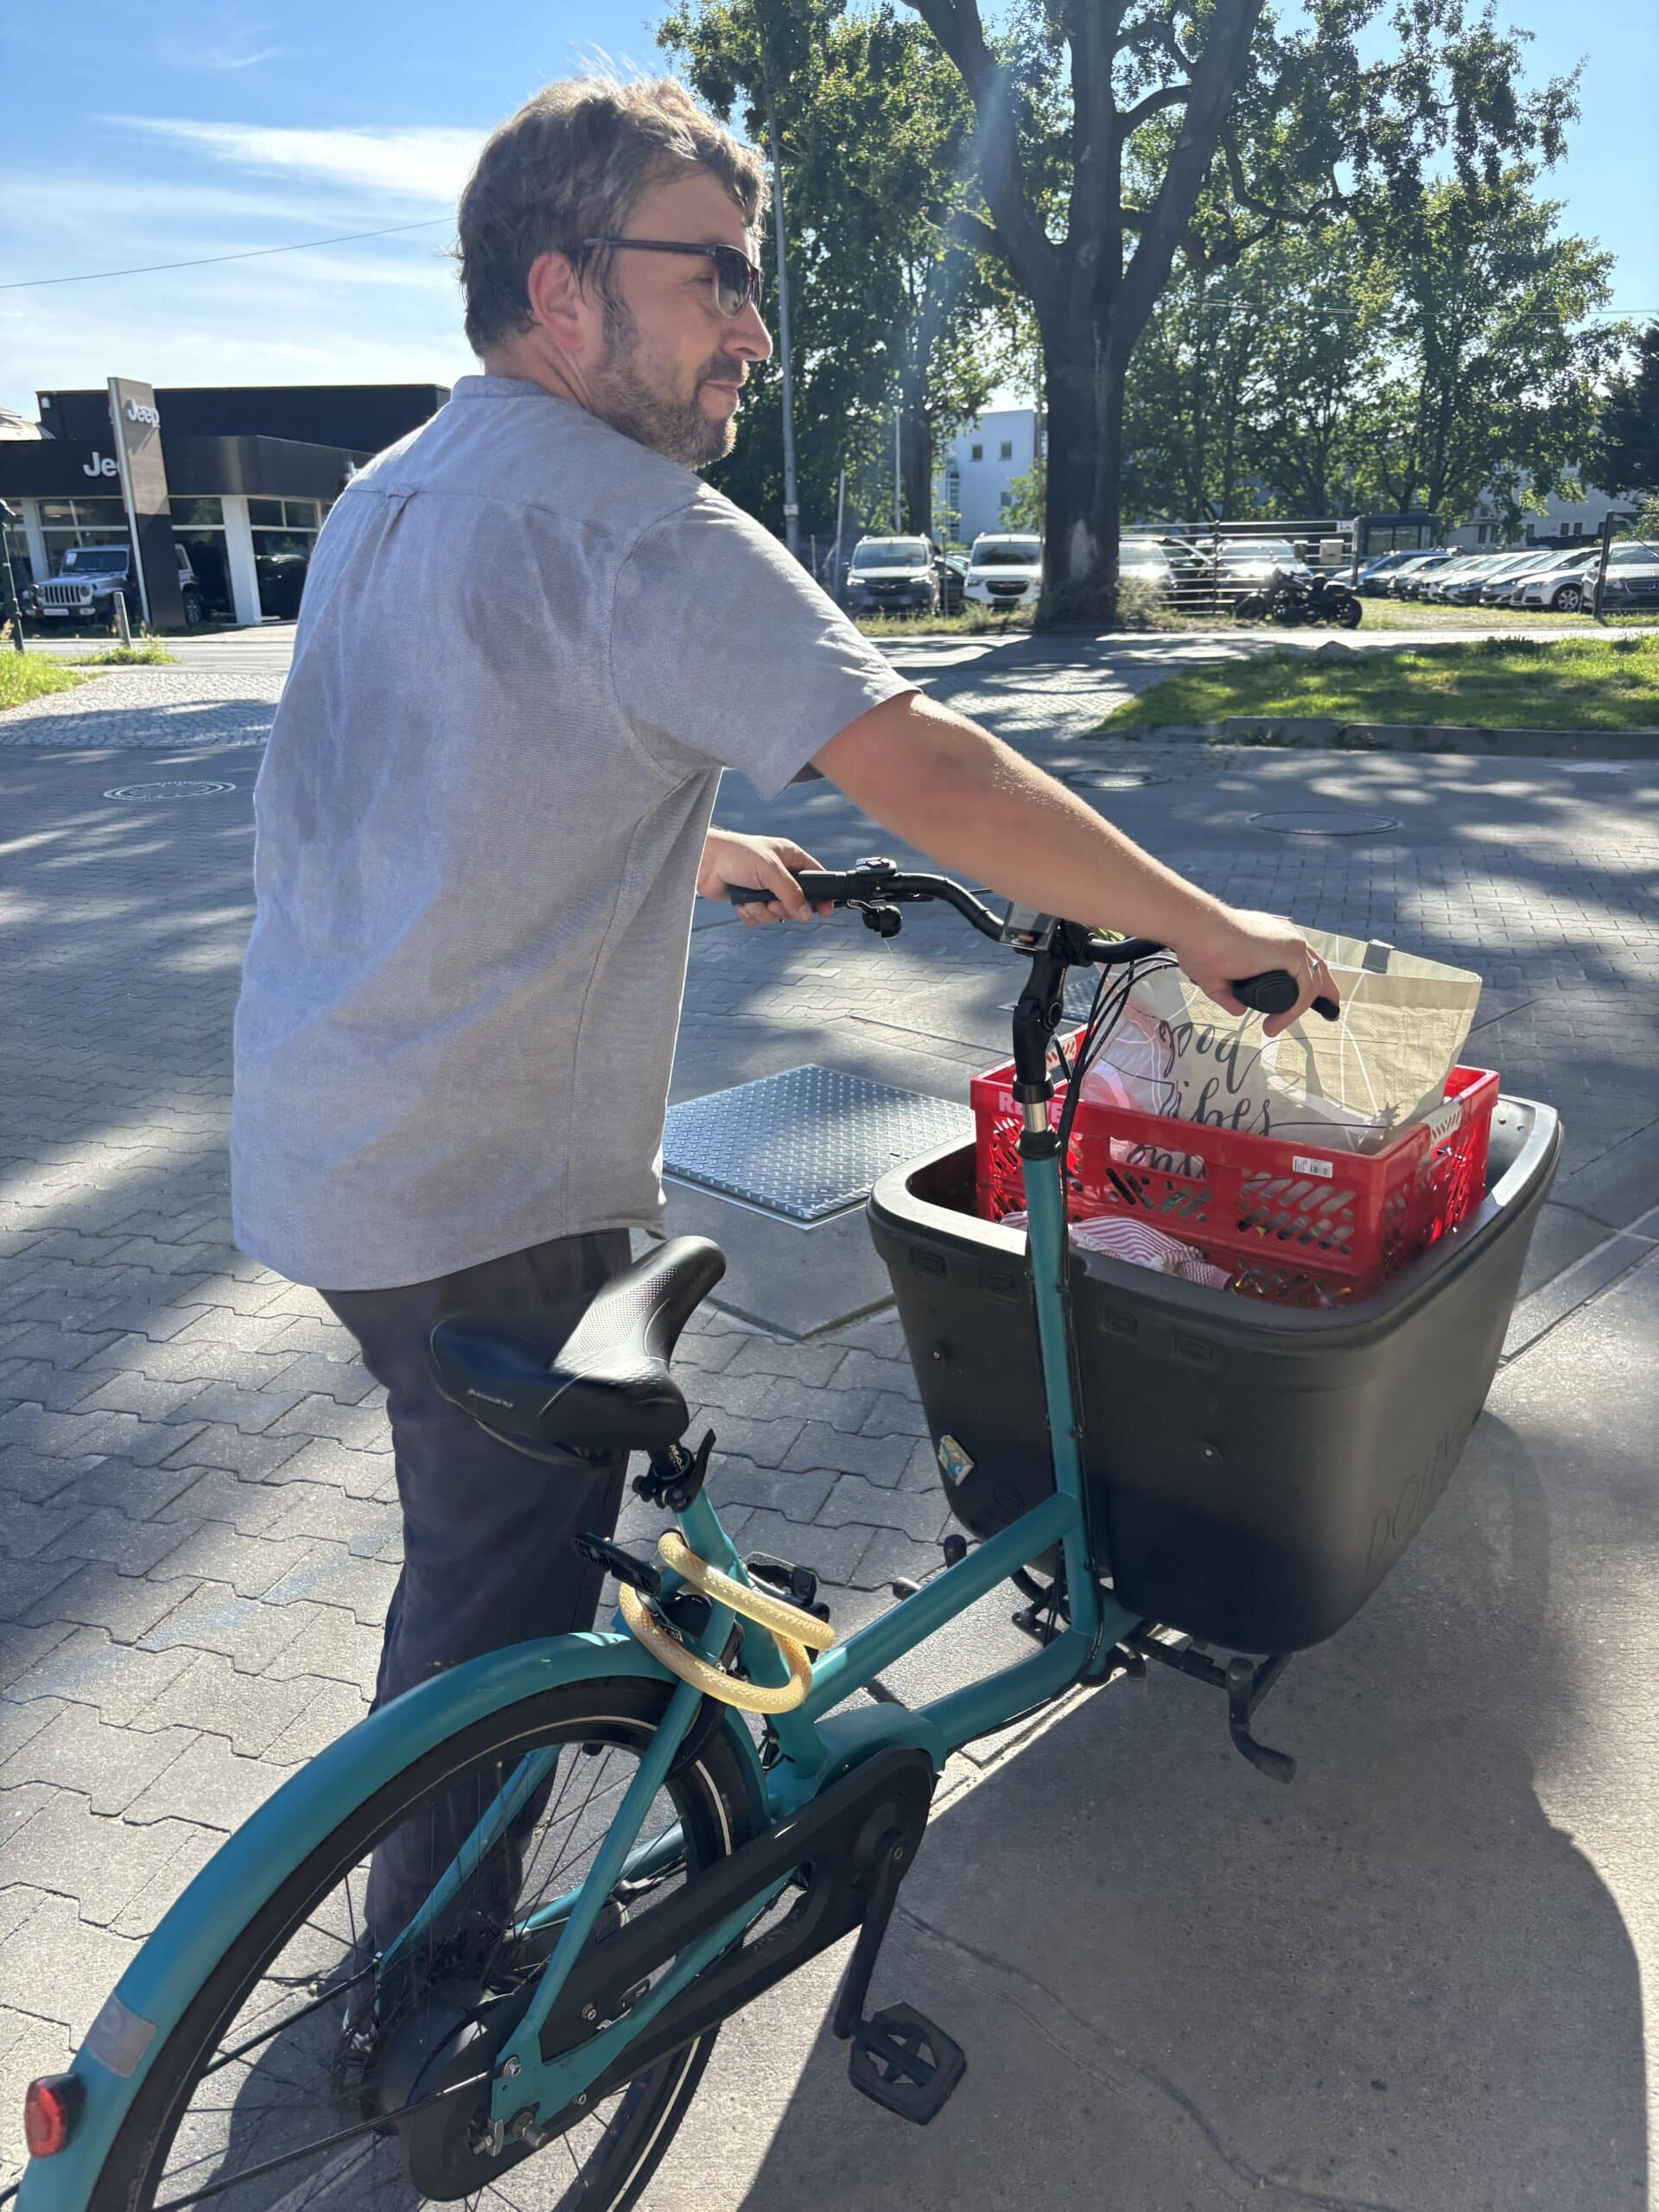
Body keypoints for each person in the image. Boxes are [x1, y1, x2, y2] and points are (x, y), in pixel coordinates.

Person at [229, 74, 1335, 1957]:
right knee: (483, 1618)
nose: (753, 323)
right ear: (562, 288)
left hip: (328, 1150)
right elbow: (934, 768)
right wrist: (1204, 923)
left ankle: (457, 1865)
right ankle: (423, 2017)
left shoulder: (393, 491)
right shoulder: (633, 521)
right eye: (715, 274)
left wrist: (697, 839)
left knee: (480, 1548)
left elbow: (436, 768)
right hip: (483, 1188)